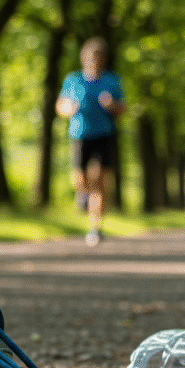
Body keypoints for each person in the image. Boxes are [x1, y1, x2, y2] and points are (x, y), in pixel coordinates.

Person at [56, 37, 125, 246]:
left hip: (103, 135)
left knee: (100, 182)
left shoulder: (111, 81)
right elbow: (60, 106)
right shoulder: (73, 80)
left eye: (99, 57)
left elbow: (123, 108)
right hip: (80, 134)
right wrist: (68, 108)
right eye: (91, 57)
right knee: (80, 180)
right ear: (83, 58)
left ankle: (95, 228)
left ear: (104, 59)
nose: (95, 60)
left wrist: (112, 105)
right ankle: (82, 195)